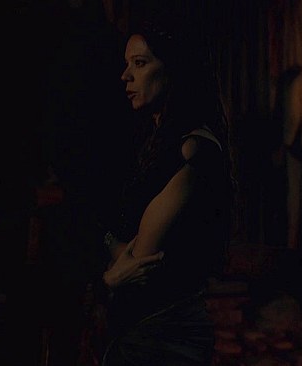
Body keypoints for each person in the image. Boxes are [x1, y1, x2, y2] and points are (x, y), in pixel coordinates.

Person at [98, 18, 236, 366]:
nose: (125, 76)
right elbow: (114, 237)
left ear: (174, 69)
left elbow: (140, 259)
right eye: (127, 64)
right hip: (146, 324)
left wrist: (109, 272)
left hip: (163, 331)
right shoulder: (153, 141)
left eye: (140, 63)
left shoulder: (194, 149)